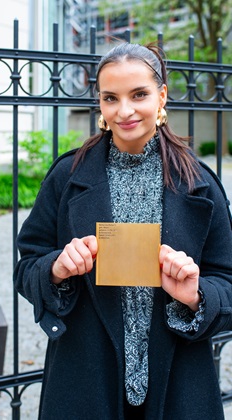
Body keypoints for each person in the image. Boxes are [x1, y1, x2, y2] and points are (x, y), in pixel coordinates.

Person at [14, 42, 232, 420]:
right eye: (111, 97)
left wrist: (196, 295)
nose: (124, 111)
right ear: (100, 102)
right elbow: (27, 265)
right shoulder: (67, 176)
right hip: (85, 380)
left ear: (162, 96)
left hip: (179, 383)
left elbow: (227, 282)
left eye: (139, 95)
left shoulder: (201, 183)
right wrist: (56, 269)